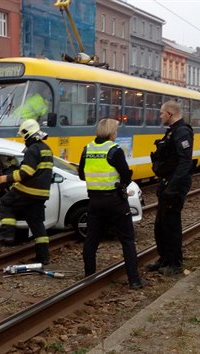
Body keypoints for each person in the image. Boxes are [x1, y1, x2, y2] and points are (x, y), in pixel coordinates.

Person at [78, 118, 143, 289]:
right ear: (111, 132)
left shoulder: (87, 149)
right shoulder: (114, 150)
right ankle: (134, 280)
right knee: (127, 240)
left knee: (91, 239)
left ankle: (89, 276)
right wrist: (121, 185)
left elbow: (81, 175)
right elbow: (126, 175)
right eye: (116, 131)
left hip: (94, 201)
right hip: (115, 201)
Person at [0, 119, 53, 264]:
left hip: (28, 190)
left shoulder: (33, 149)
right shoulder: (46, 148)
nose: (23, 139)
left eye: (23, 136)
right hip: (41, 194)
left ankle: (7, 236)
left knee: (6, 203)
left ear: (28, 134)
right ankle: (43, 257)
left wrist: (6, 178)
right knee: (37, 224)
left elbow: (26, 173)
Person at [148, 100, 194, 276]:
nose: (160, 116)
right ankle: (164, 259)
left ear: (170, 113)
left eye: (161, 113)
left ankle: (175, 263)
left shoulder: (182, 132)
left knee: (171, 225)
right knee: (161, 224)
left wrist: (173, 187)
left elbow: (185, 162)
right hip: (167, 181)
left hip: (175, 184)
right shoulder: (172, 132)